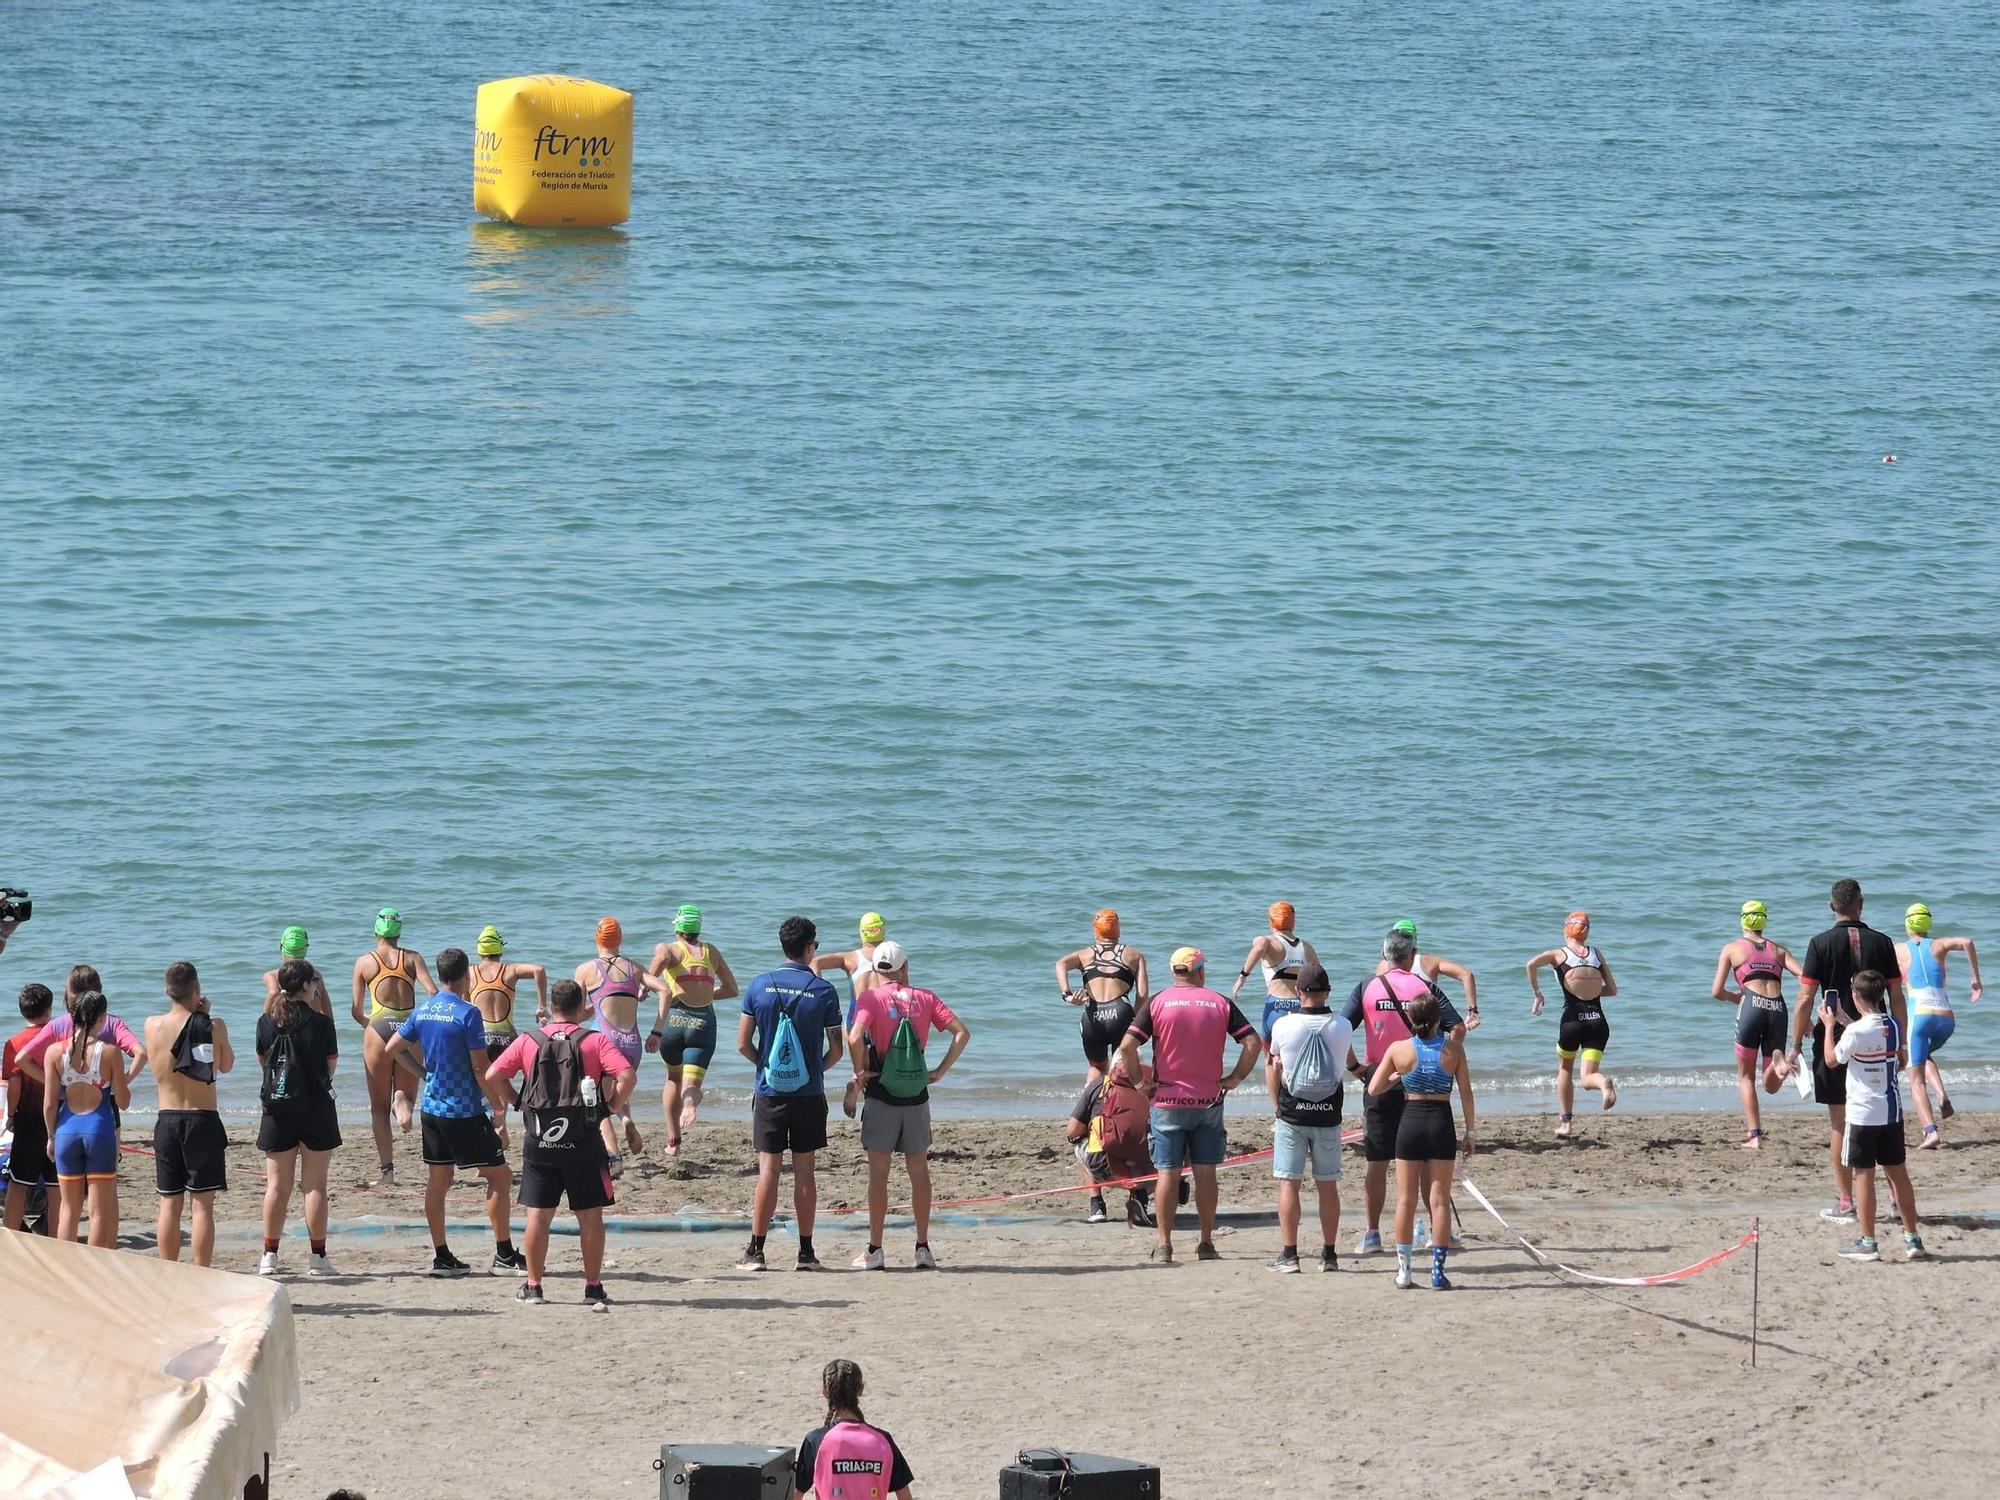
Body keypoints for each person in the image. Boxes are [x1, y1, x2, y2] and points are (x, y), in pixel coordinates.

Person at [486, 978, 634, 1309]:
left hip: (540, 1140)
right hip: (584, 1139)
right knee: (591, 1215)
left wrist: (517, 1102)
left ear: (551, 1007)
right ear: (582, 1008)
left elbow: (493, 1074)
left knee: (539, 1215)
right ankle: (593, 1288)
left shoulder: (529, 1040)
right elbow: (628, 1077)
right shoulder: (595, 1041)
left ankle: (534, 1286)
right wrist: (608, 1108)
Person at [1113, 947, 1261, 1264]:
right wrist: (1234, 1078)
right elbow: (1252, 1043)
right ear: (1201, 971)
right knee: (1206, 1172)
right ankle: (1206, 1243)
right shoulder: (1219, 1002)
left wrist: (1141, 1084)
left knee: (1167, 1173)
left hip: (1167, 1100)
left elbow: (1127, 1047)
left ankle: (1165, 1244)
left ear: (1174, 972)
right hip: (1207, 1101)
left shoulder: (1158, 1003)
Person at [383, 947, 523, 1277]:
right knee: (500, 1177)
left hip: (431, 1107)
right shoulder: (468, 1013)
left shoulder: (424, 1010)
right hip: (463, 1110)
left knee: (438, 1181)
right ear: (466, 976)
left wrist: (421, 1072)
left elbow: (392, 1049)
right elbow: (479, 1066)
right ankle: (503, 1254)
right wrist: (499, 1103)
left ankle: (442, 1256)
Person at [845, 941, 971, 1271]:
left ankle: (875, 1250)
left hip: (882, 1093)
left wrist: (861, 1072)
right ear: (905, 967)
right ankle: (923, 1248)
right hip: (916, 1093)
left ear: (876, 971)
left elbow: (854, 1036)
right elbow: (961, 1033)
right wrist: (939, 1072)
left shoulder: (870, 998)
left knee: (878, 1176)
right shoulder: (926, 998)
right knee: (919, 1173)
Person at [1792, 879, 1907, 1224]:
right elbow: (1897, 998)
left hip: (1836, 1035)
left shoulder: (1820, 943)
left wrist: (1795, 1043)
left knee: (1840, 1121)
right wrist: (1900, 1042)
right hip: (1879, 1036)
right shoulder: (1883, 942)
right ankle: (1893, 1200)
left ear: (1832, 907)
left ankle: (1846, 1201)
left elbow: (1804, 999)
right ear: (1862, 903)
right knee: (1884, 1116)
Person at [1343, 928, 1463, 1254]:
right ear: (1412, 956)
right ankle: (1438, 1233)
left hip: (1379, 1079)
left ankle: (1371, 1234)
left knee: (1377, 1161)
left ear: (1385, 955)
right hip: (1419, 1081)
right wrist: (1443, 1061)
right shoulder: (1426, 987)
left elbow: (1339, 1031)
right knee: (1424, 1162)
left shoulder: (1367, 987)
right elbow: (1458, 1028)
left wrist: (1357, 1069)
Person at [736, 916, 846, 1272]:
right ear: (811, 947)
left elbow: (742, 1044)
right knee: (805, 1172)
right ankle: (805, 1252)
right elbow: (837, 1051)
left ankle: (756, 1250)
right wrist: (813, 1070)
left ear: (782, 946)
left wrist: (766, 1068)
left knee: (768, 1169)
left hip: (769, 1092)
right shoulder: (824, 990)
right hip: (810, 1093)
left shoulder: (759, 986)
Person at [1367, 992, 1475, 1290]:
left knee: (1405, 1199)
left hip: (1411, 1122)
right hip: (1441, 1122)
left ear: (1411, 1020)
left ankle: (1404, 1271)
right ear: (1438, 1019)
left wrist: (1398, 1077)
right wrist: (1471, 1131)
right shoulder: (1453, 1050)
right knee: (1438, 1200)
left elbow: (1374, 1089)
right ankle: (1438, 1273)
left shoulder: (1399, 1049)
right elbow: (1466, 1093)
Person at [1265, 962, 1359, 1273]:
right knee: (1327, 1185)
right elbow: (1349, 1064)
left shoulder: (1283, 1025)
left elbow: (1274, 1065)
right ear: (1328, 992)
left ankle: (1290, 1255)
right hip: (1328, 1115)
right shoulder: (1343, 1026)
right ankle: (1329, 1255)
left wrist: (1277, 1105)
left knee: (1289, 1184)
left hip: (1292, 1115)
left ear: (1297, 992)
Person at [1824, 970, 1925, 1261]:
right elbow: (1869, 1036)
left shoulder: (1856, 1032)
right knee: (1898, 1174)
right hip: (1891, 1111)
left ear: (1856, 996)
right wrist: (1844, 1020)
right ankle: (1912, 1238)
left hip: (1862, 1114)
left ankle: (1868, 1242)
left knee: (1863, 1175)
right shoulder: (1892, 1024)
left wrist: (1831, 1025)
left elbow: (1832, 1059)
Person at [256, 957, 342, 1277]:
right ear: (307, 985)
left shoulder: (266, 1021)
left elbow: (263, 1062)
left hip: (277, 1108)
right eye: (314, 982)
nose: (317, 987)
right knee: (315, 1186)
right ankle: (318, 1258)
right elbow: (330, 1067)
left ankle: (269, 1255)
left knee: (277, 1186)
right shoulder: (321, 1023)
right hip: (316, 1108)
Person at [145, 960, 235, 1267]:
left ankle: (168, 1269)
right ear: (196, 990)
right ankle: (200, 1271)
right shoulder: (213, 1025)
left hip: (166, 1119)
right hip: (202, 1119)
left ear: (167, 991)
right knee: (202, 1207)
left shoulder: (151, 1025)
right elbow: (224, 1065)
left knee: (168, 1204)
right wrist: (204, 1018)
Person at [647, 904, 740, 1157]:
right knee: (690, 1084)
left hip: (673, 1023)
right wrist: (705, 994)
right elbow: (732, 989)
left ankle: (673, 1141)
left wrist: (645, 988)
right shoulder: (712, 952)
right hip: (703, 1025)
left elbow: (654, 969)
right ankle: (689, 1103)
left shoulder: (668, 949)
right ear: (698, 927)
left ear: (677, 927)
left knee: (672, 1079)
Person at [1709, 900, 1804, 1148]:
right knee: (1771, 1085)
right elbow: (1805, 977)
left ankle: (1754, 1136)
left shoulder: (1732, 949)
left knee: (1746, 1078)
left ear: (1743, 920)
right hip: (1778, 1009)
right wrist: (1806, 1014)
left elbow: (1716, 991)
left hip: (1751, 1006)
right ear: (1764, 921)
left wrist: (1734, 998)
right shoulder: (1778, 950)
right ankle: (1779, 1064)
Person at [351, 908, 435, 1187]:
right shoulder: (412, 958)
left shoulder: (364, 962)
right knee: (407, 1093)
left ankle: (387, 1172)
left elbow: (356, 1010)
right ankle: (402, 1101)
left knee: (377, 1108)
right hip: (409, 1029)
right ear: (398, 932)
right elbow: (432, 993)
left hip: (379, 1029)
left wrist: (371, 1024)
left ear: (375, 932)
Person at [576, 916, 671, 1165]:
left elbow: (576, 1013)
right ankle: (627, 1120)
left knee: (599, 1103)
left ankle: (613, 1154)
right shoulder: (635, 968)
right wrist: (657, 1032)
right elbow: (665, 990)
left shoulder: (586, 970)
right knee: (618, 1092)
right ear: (620, 939)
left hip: (605, 1041)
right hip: (632, 1044)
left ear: (597, 939)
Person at [42, 988, 128, 1247]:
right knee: (98, 1210)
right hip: (98, 1130)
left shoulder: (54, 1052)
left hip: (66, 1131)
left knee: (68, 1208)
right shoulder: (110, 1052)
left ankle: (67, 1267)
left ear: (72, 1017)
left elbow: (48, 1104)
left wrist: (50, 1136)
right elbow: (123, 1101)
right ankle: (94, 1267)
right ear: (102, 1017)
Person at [1894, 901, 1982, 1146]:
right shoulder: (1940, 944)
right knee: (1923, 1056)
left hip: (1919, 1017)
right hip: (1945, 1019)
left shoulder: (1899, 949)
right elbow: (1967, 942)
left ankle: (1930, 1131)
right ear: (1928, 922)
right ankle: (1943, 1096)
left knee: (1915, 1079)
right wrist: (1975, 980)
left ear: (1907, 923)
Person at [1526, 911, 1618, 1136]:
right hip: (1598, 1022)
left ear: (1566, 929)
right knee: (1588, 1077)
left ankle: (1566, 1123)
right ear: (1586, 932)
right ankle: (1603, 1083)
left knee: (1565, 1068)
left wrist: (1538, 994)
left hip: (1572, 1022)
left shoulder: (1558, 955)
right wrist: (1591, 991)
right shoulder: (1596, 954)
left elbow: (1531, 965)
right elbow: (1612, 990)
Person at [468, 925, 549, 1151]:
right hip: (507, 1038)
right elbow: (539, 970)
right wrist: (541, 1006)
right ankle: (523, 1122)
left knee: (484, 1089)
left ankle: (498, 1122)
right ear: (500, 949)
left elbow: (465, 1007)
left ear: (479, 950)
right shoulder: (509, 971)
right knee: (517, 1081)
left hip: (482, 1039)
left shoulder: (470, 973)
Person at [789, 1359, 915, 1500]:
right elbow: (905, 1496)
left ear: (824, 1392)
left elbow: (796, 1495)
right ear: (860, 1390)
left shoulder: (815, 1440)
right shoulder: (883, 1440)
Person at [1056, 909, 1149, 1085]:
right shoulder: (1135, 955)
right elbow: (1142, 995)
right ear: (1118, 929)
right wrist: (1136, 1022)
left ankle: (1090, 1106)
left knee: (1097, 1067)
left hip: (1093, 1015)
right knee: (1122, 1065)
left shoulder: (1084, 954)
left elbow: (1060, 964)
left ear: (1095, 929)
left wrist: (1067, 994)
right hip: (1121, 1014)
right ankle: (1120, 1107)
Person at [1065, 1056, 1162, 1226]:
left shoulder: (1101, 1084)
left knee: (1080, 1142)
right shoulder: (1154, 1083)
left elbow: (1072, 1131)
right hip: (1152, 1172)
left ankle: (1097, 1206)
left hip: (1105, 1168)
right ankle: (1141, 1197)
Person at [3, 983, 57, 1234]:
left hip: (28, 1121)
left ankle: (10, 1239)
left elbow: (14, 1087)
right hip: (58, 1119)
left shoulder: (14, 1042)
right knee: (57, 1188)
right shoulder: (61, 1038)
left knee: (18, 1184)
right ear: (49, 1008)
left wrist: (11, 1116)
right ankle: (57, 1241)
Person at [1229, 901, 1320, 1041]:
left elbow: (1259, 947)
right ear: (1293, 922)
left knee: (1271, 1059)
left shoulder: (1267, 941)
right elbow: (1319, 975)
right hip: (1301, 1006)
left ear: (1270, 922)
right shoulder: (1307, 947)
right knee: (1298, 1054)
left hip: (1277, 1006)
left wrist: (1243, 976)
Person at [1375, 919, 1482, 1031]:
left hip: (1393, 1022)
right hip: (1427, 1027)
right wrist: (1472, 1011)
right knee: (1456, 1029)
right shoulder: (1430, 962)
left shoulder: (1382, 966)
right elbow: (1467, 975)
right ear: (1415, 941)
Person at [813, 910, 891, 1007]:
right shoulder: (894, 957)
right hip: (887, 1019)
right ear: (882, 930)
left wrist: (817, 994)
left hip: (856, 1019)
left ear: (862, 932)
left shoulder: (851, 958)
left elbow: (815, 962)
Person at [263, 925, 333, 1016]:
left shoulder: (272, 976)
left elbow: (273, 992)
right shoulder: (316, 977)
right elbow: (328, 1015)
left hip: (285, 1025)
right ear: (306, 948)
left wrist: (264, 1021)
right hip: (313, 1027)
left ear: (282, 947)